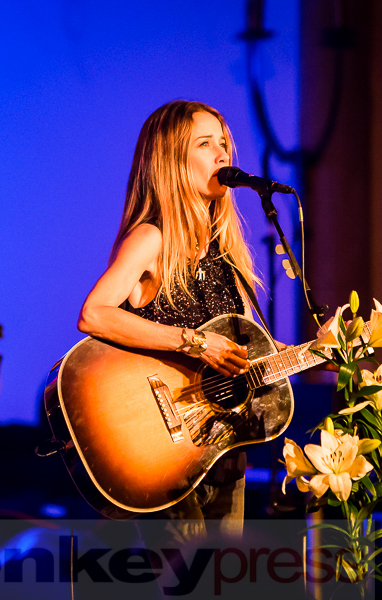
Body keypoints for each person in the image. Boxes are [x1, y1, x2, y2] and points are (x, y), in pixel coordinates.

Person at [77, 100, 263, 543]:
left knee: (224, 576)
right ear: (172, 161)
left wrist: (321, 351)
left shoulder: (227, 257)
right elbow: (94, 313)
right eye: (205, 144)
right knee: (189, 574)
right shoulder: (151, 238)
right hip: (163, 445)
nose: (222, 154)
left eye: (223, 143)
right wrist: (197, 343)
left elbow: (247, 354)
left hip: (221, 445)